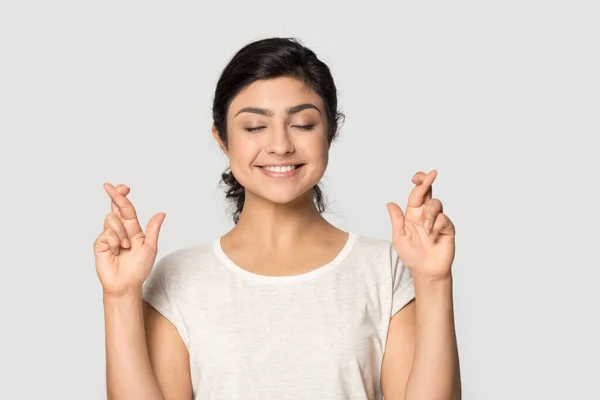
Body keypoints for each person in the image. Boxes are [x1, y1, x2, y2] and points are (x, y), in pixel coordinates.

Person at [94, 37, 461, 400]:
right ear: (222, 140)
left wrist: (433, 278)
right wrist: (121, 294)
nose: (280, 145)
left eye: (302, 124)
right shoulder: (178, 278)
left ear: (330, 132)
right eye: (254, 127)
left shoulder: (384, 269)